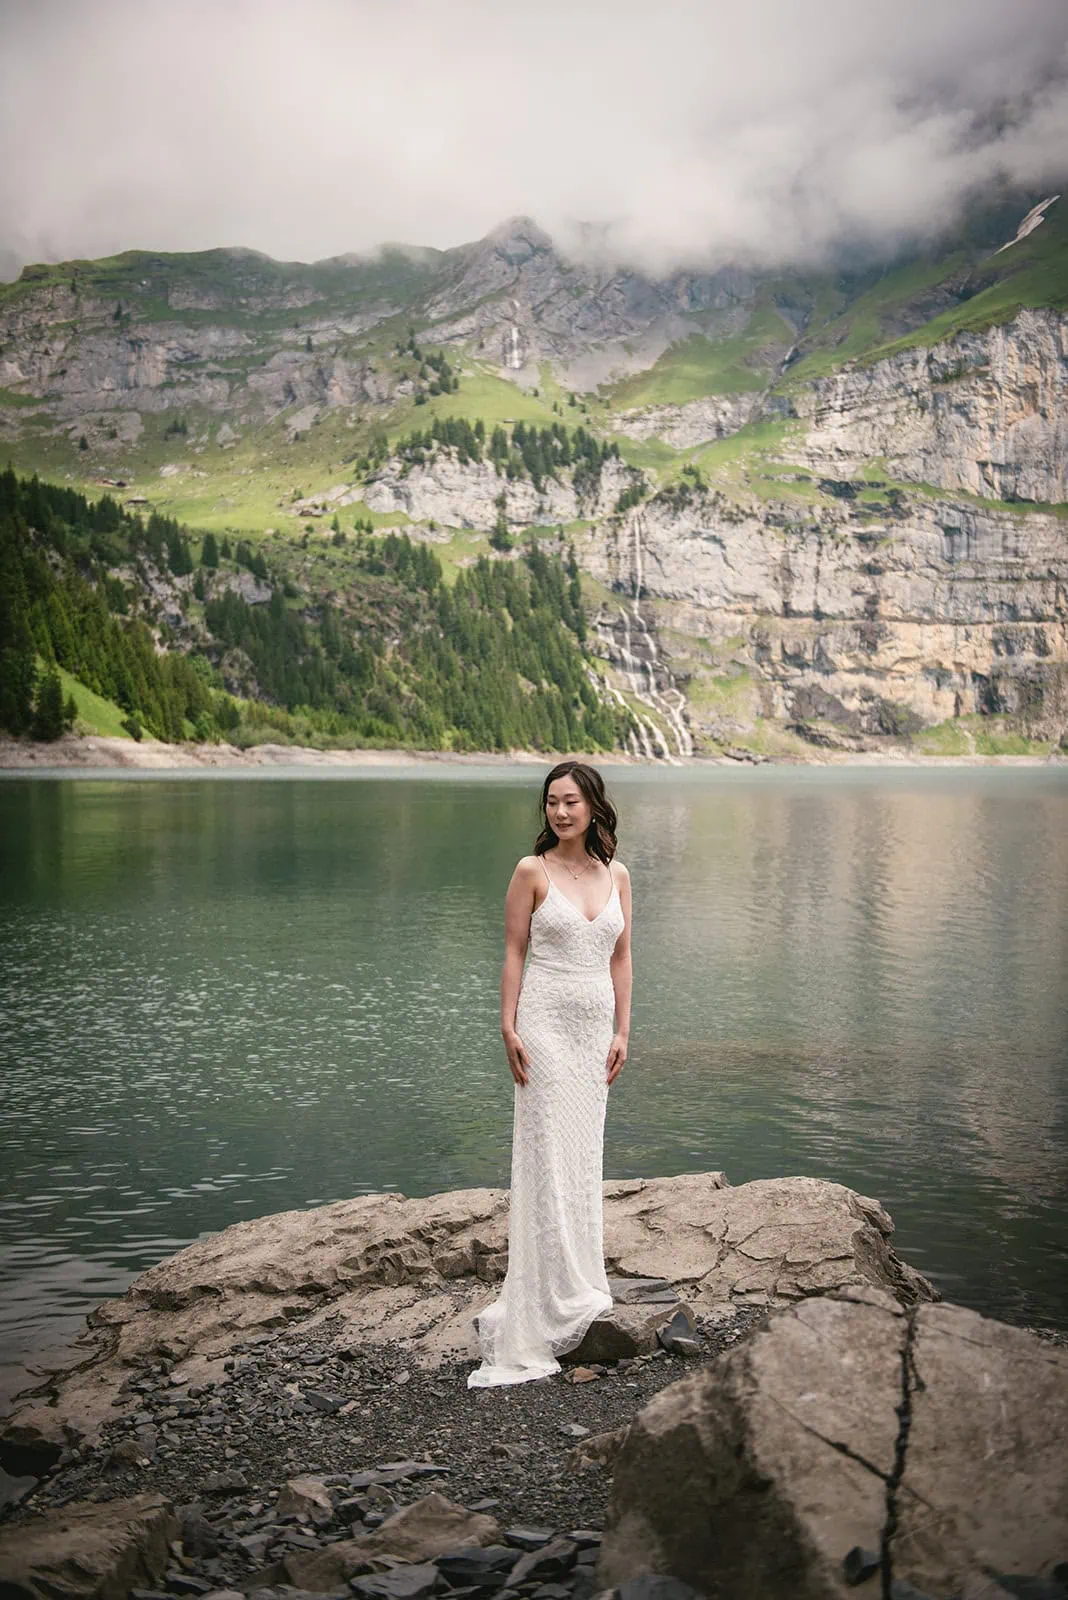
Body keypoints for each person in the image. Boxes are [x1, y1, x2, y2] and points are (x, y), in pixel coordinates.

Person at [467, 759, 632, 1388]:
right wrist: (507, 1027)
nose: (560, 812)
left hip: (594, 1034)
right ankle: (539, 1298)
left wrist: (623, 1031)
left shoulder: (617, 875)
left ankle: (579, 1279)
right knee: (543, 1153)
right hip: (543, 1026)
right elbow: (514, 952)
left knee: (582, 1151)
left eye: (571, 802)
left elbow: (622, 958)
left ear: (593, 806)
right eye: (552, 801)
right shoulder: (530, 871)